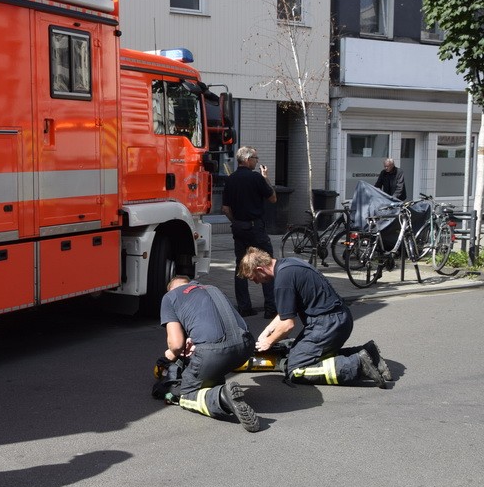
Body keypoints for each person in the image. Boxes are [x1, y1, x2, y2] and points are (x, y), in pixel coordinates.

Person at [238, 248, 390, 388]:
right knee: (309, 356)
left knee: (296, 368)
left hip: (327, 325)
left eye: (254, 278)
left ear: (260, 269)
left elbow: (288, 325)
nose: (256, 282)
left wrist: (269, 342)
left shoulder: (282, 281)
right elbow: (286, 313)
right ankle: (369, 354)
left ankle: (357, 364)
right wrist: (267, 331)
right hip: (340, 318)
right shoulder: (289, 264)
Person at [158, 276, 261, 432]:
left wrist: (170, 354)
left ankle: (222, 397)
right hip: (245, 347)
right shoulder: (211, 288)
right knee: (210, 367)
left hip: (214, 354)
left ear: (171, 288)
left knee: (186, 394)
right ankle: (214, 383)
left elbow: (177, 344)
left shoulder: (170, 297)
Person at [221, 146, 277, 318]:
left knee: (241, 266)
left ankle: (244, 307)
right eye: (255, 157)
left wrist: (236, 222)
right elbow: (273, 198)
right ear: (246, 159)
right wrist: (265, 178)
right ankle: (270, 308)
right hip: (256, 228)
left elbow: (225, 208)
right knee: (267, 264)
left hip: (239, 229)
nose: (257, 161)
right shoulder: (256, 178)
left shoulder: (230, 180)